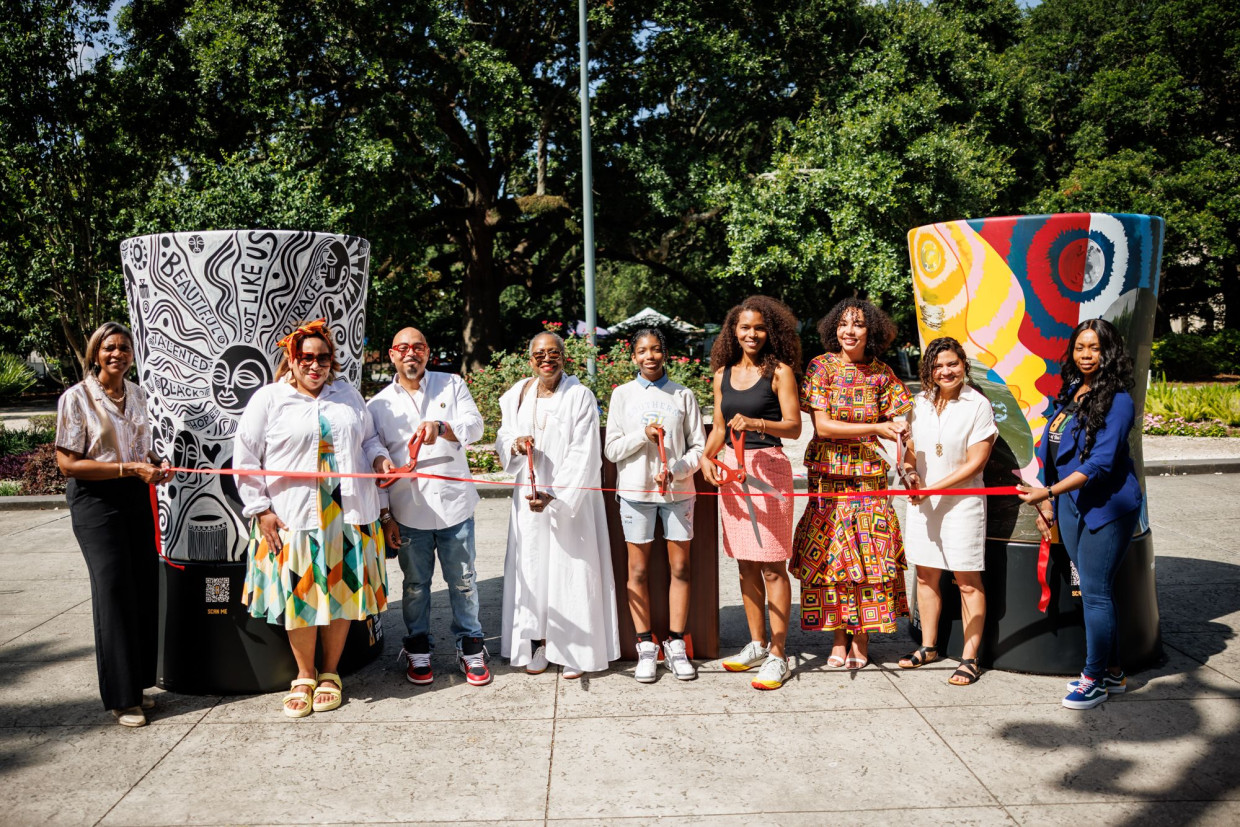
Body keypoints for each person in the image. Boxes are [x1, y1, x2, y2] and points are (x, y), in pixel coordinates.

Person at [234, 319, 394, 717]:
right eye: (306, 357)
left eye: (323, 357)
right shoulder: (270, 399)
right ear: (292, 359)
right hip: (293, 515)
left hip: (347, 512)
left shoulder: (347, 394)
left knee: (340, 593)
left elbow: (368, 438)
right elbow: (246, 459)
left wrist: (379, 458)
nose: (315, 364)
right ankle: (304, 675)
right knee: (301, 595)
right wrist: (261, 510)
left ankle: (329, 673)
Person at [1019, 318, 1142, 710]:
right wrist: (1049, 500)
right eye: (1080, 347)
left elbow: (1102, 463)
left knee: (1095, 593)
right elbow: (1053, 449)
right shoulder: (1073, 392)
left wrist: (1049, 491)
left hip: (1106, 507)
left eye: (1095, 347)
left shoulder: (1118, 399)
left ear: (1110, 351)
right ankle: (1113, 671)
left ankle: (1093, 680)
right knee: (1096, 591)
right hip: (1070, 506)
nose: (1086, 355)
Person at [55, 321, 172, 727]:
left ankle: (137, 686)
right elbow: (68, 464)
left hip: (134, 496)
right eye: (109, 348)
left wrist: (155, 466)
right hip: (95, 502)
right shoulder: (77, 398)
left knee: (142, 587)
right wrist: (128, 467)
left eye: (124, 348)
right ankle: (122, 700)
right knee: (114, 588)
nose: (117, 354)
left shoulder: (137, 394)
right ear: (95, 353)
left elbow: (144, 450)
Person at [790, 298, 911, 670]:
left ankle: (862, 637)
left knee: (869, 558)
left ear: (870, 330)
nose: (850, 330)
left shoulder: (882, 374)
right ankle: (839, 637)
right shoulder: (821, 367)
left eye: (858, 324)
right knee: (833, 558)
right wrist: (876, 426)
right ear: (833, 328)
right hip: (828, 476)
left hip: (869, 480)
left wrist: (909, 461)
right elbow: (823, 427)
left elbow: (904, 425)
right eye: (843, 323)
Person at [368, 327, 491, 687]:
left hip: (455, 507)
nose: (411, 353)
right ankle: (417, 645)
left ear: (427, 352)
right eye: (403, 348)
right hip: (407, 511)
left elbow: (476, 426)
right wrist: (386, 512)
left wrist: (442, 426)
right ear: (392, 355)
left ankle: (471, 645)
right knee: (416, 585)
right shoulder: (378, 405)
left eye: (418, 347)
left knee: (464, 581)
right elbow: (372, 451)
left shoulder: (451, 384)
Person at [496, 331, 620, 678]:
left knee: (570, 569)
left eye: (553, 353)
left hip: (571, 502)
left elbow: (585, 450)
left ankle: (574, 649)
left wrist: (558, 494)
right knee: (534, 570)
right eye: (539, 354)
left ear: (564, 357)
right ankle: (538, 642)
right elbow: (503, 436)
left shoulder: (579, 395)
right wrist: (517, 445)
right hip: (528, 498)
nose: (546, 360)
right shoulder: (519, 394)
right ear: (530, 358)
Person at [701, 296, 802, 690]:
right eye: (744, 327)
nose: (752, 334)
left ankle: (779, 654)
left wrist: (759, 420)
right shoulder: (721, 373)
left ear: (769, 330)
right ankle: (757, 644)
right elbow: (719, 429)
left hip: (769, 471)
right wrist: (706, 459)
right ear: (733, 331)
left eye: (759, 327)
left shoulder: (780, 372)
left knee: (774, 563)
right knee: (745, 562)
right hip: (733, 472)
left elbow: (793, 426)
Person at [604, 328, 706, 682]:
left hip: (678, 495)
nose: (650, 356)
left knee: (680, 569)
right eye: (643, 351)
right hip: (635, 494)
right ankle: (646, 645)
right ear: (633, 357)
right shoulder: (622, 395)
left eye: (656, 350)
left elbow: (699, 448)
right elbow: (612, 449)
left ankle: (676, 645)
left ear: (665, 354)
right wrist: (641, 436)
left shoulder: (683, 395)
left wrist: (676, 471)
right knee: (639, 571)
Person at [898, 337, 996, 686]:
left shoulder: (978, 404)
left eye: (952, 364)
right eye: (938, 366)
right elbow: (910, 453)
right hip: (923, 503)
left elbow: (976, 462)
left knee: (968, 581)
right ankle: (929, 647)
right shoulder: (918, 402)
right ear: (929, 370)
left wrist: (934, 488)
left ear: (963, 364)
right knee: (926, 575)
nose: (945, 371)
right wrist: (910, 475)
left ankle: (970, 658)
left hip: (963, 504)